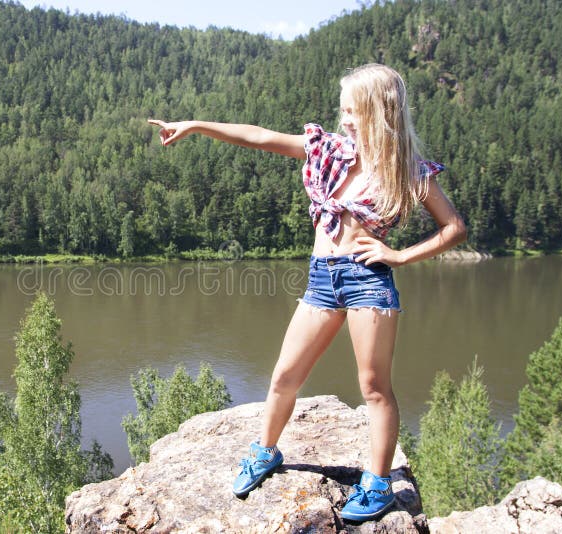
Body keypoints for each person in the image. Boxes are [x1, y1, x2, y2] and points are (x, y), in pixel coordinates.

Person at [148, 63, 466, 522]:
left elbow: (454, 228)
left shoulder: (407, 169)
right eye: (343, 111)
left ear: (380, 111)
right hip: (322, 278)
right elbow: (257, 136)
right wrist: (196, 125)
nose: (345, 120)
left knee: (374, 388)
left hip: (367, 280)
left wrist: (397, 257)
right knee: (284, 377)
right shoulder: (330, 151)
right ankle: (266, 451)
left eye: (353, 111)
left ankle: (376, 484)